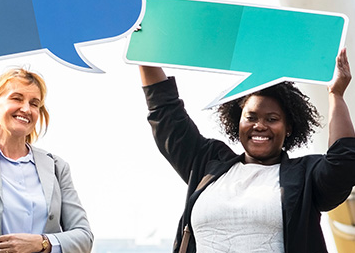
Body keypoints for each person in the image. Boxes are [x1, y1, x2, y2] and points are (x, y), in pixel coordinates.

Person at [138, 49, 355, 253]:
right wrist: (144, 50)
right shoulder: (207, 162)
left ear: (288, 127)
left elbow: (343, 161)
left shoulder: (305, 176)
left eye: (272, 119)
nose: (259, 125)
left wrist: (336, 94)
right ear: (237, 121)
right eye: (251, 117)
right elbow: (166, 114)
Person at [0, 42, 93, 253]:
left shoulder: (57, 167)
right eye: (17, 98)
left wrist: (42, 243)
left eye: (34, 103)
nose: (26, 108)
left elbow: (83, 236)